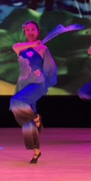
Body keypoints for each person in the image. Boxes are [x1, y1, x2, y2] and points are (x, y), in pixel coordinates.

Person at [10, 21, 57, 164]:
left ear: (37, 32)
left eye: (33, 29)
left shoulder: (43, 48)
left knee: (15, 102)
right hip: (23, 85)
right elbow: (16, 47)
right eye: (28, 30)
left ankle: (36, 118)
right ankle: (36, 151)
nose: (30, 32)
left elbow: (51, 68)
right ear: (24, 32)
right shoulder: (19, 47)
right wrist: (33, 44)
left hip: (37, 83)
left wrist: (45, 82)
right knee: (25, 119)